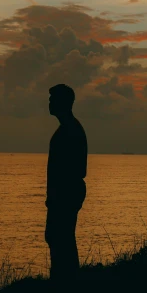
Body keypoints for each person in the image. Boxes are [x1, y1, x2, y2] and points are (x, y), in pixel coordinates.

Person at [45, 83, 88, 280]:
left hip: (65, 195)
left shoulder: (70, 130)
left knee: (61, 239)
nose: (49, 103)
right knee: (58, 238)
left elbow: (76, 169)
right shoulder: (68, 128)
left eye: (53, 99)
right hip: (64, 194)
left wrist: (57, 196)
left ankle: (65, 283)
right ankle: (64, 281)